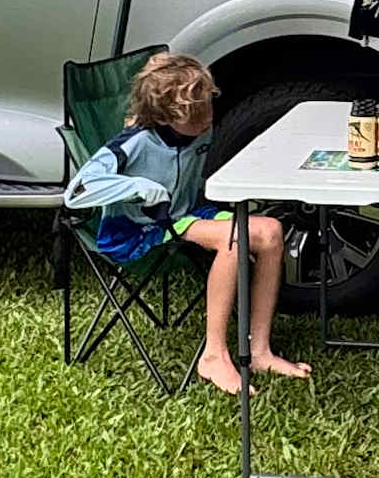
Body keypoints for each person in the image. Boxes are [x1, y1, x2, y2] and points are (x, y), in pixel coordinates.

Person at [64, 51, 313, 398]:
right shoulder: (133, 143)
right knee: (235, 240)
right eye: (197, 113)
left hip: (187, 216)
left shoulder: (197, 132)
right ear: (167, 115)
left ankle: (260, 352)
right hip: (141, 231)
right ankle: (213, 355)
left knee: (271, 231)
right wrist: (137, 187)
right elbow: (76, 192)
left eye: (208, 107)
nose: (208, 119)